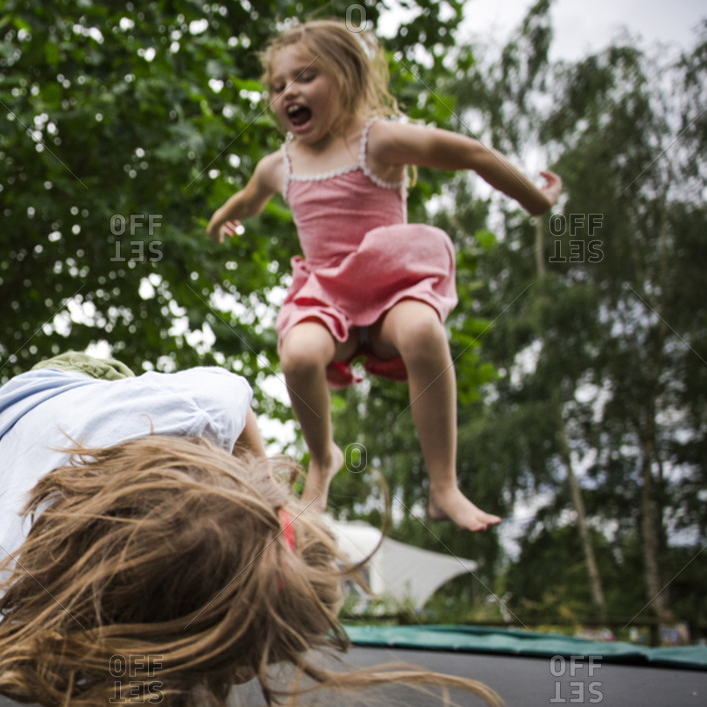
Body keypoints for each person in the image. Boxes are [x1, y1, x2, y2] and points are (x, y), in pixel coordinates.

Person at [0, 351, 501, 707]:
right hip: (57, 387)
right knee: (197, 512)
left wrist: (252, 477)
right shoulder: (25, 582)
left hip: (30, 428)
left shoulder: (197, 410)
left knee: (200, 504)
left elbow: (236, 407)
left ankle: (227, 502)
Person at [207, 19, 562, 530]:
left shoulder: (378, 140)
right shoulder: (278, 165)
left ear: (346, 75)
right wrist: (223, 217)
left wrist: (537, 200)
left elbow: (472, 154)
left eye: (304, 78)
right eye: (278, 86)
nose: (288, 93)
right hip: (327, 295)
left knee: (422, 331)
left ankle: (443, 486)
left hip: (393, 286)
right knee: (299, 355)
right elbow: (249, 198)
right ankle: (323, 460)